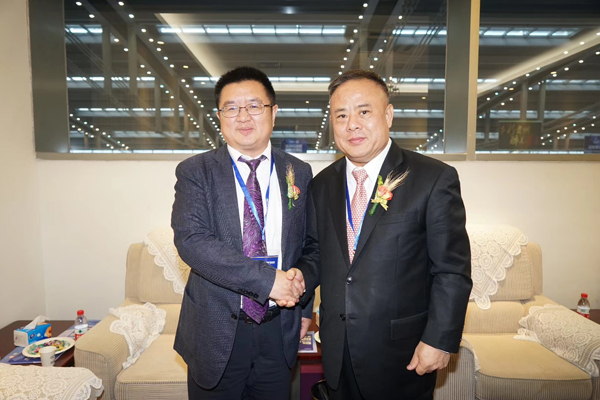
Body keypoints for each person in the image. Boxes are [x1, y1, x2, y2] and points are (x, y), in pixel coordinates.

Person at [294, 69, 472, 400]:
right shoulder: (321, 185)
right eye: (341, 115)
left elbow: (452, 270)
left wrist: (439, 340)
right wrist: (298, 280)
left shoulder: (433, 179)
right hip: (337, 350)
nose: (352, 124)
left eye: (364, 111)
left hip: (402, 354)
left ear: (388, 115)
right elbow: (317, 252)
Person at [171, 66, 312, 400]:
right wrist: (268, 281)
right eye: (231, 108)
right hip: (216, 330)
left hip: (278, 329)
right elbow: (192, 241)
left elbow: (309, 245)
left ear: (273, 112)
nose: (243, 116)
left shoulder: (299, 171)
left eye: (254, 105)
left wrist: (304, 308)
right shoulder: (196, 171)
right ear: (220, 117)